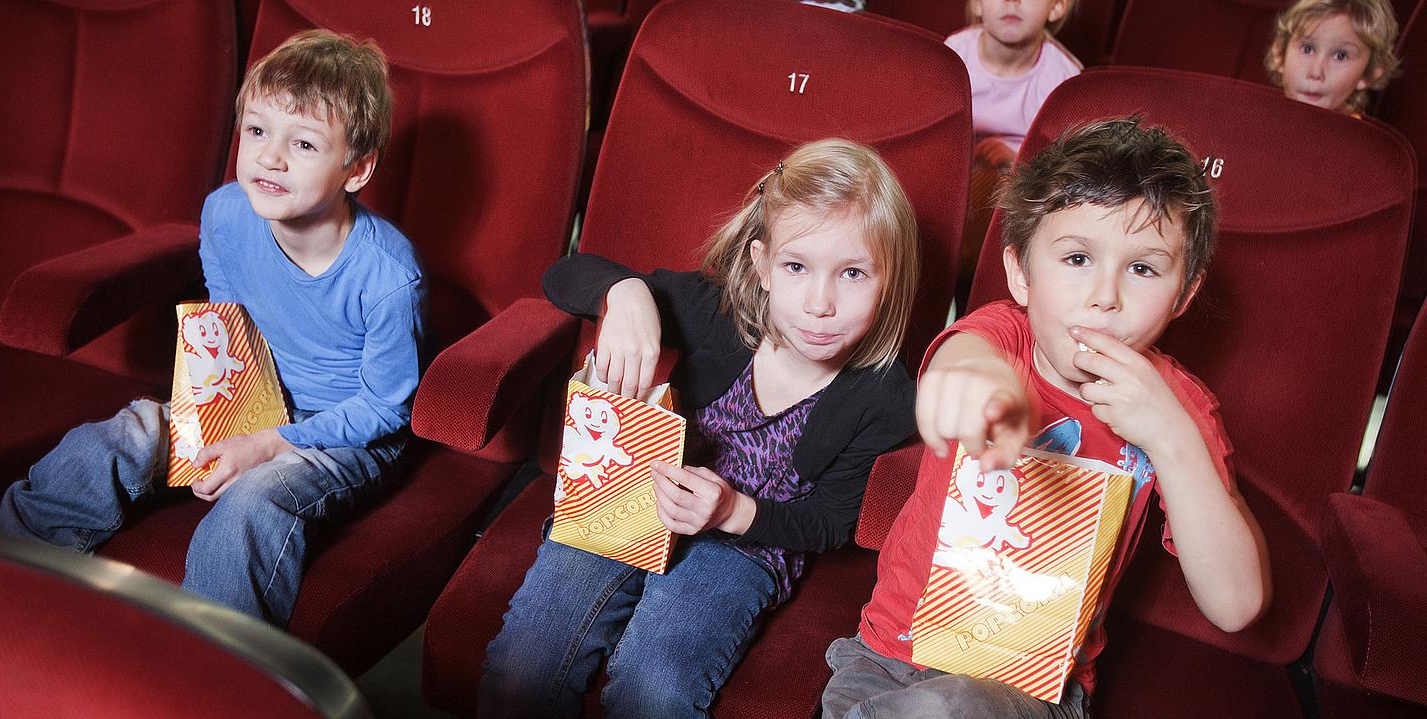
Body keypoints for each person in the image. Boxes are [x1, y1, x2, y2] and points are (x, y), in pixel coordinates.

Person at [821, 117, 1270, 719]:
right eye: (1078, 257)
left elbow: (1237, 603)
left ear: (1184, 294)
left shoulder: (1180, 408)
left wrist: (1172, 437)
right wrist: (988, 389)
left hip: (1033, 692)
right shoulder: (1003, 334)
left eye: (1143, 268)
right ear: (1020, 275)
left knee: (947, 708)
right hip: (885, 660)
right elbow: (962, 361)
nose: (1105, 296)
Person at [0, 29, 425, 628]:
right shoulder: (224, 211)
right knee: (123, 434)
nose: (270, 157)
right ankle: (8, 573)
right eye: (257, 131)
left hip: (342, 437)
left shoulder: (389, 276)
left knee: (253, 501)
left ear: (357, 169)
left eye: (303, 143)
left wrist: (270, 443)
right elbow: (227, 319)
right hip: (251, 400)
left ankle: (211, 659)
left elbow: (386, 407)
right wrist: (217, 416)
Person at [478, 139, 920, 718]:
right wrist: (627, 293)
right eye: (796, 267)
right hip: (630, 499)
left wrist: (735, 512)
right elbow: (563, 274)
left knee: (653, 685)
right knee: (522, 665)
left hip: (746, 545)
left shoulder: (884, 394)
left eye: (854, 274)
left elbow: (833, 522)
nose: (820, 303)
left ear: (891, 281)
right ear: (762, 266)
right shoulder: (719, 312)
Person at [947, 0, 1083, 303]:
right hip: (958, 180)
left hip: (1021, 188)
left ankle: (982, 295)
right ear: (978, 5)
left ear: (1057, 7)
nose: (1012, 1)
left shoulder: (1064, 75)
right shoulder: (955, 52)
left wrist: (1013, 156)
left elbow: (1063, 164)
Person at [1266, 0, 1400, 115]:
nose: (1316, 72)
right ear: (1280, 55)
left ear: (1368, 75)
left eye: (1340, 56)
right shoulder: (1257, 116)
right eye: (1307, 49)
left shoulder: (1356, 141)